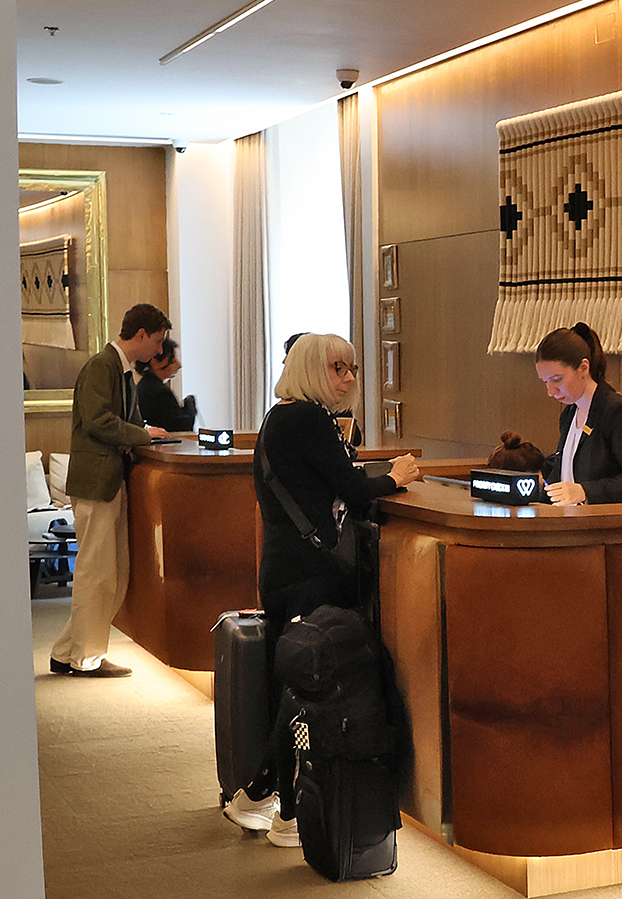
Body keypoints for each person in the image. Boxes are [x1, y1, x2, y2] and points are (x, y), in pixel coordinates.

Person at [222, 334, 420, 845]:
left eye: (353, 367)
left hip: (284, 569)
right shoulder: (307, 420)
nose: (350, 378)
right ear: (312, 369)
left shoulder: (279, 416)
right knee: (308, 687)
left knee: (294, 683)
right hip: (311, 572)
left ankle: (268, 798)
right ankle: (277, 802)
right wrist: (395, 477)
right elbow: (353, 492)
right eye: (338, 368)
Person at [48, 303, 172, 677]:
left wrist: (143, 435)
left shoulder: (121, 370)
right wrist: (143, 435)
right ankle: (85, 659)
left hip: (107, 480)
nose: (160, 350)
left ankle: (68, 651)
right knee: (96, 573)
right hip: (95, 482)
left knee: (108, 574)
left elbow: (116, 421)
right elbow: (98, 421)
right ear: (141, 335)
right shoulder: (102, 366)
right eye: (158, 341)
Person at [533, 323, 622, 504]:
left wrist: (585, 491)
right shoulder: (569, 414)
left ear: (583, 368)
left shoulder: (619, 413)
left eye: (557, 379)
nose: (551, 391)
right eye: (545, 382)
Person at [135, 337, 198, 431]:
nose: (178, 365)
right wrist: (190, 404)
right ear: (155, 362)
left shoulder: (144, 385)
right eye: (172, 360)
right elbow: (182, 425)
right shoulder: (158, 391)